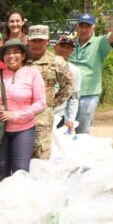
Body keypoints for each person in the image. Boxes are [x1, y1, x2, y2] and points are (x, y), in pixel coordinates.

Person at [0, 39, 46, 182]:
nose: (11, 56)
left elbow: (41, 103)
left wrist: (15, 115)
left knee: (20, 171)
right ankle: (3, 195)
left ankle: (19, 197)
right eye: (7, 53)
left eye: (16, 52)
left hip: (24, 129)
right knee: (0, 169)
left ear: (23, 55)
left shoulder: (33, 73)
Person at [70, 13, 113, 134]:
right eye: (81, 26)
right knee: (63, 131)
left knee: (82, 132)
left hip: (88, 95)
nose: (84, 29)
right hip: (68, 94)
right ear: (77, 27)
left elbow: (112, 37)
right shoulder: (70, 43)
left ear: (93, 28)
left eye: (88, 26)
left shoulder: (99, 43)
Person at [26, 25, 74, 159]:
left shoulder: (57, 62)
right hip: (21, 114)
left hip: (43, 116)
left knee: (41, 152)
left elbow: (68, 85)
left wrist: (53, 103)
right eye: (33, 40)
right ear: (28, 41)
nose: (36, 44)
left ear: (47, 41)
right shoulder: (21, 60)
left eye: (40, 40)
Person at [53, 34, 81, 131]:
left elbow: (74, 97)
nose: (64, 50)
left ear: (72, 51)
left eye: (68, 47)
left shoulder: (74, 71)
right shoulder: (44, 65)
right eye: (61, 46)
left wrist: (71, 119)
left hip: (59, 115)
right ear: (55, 47)